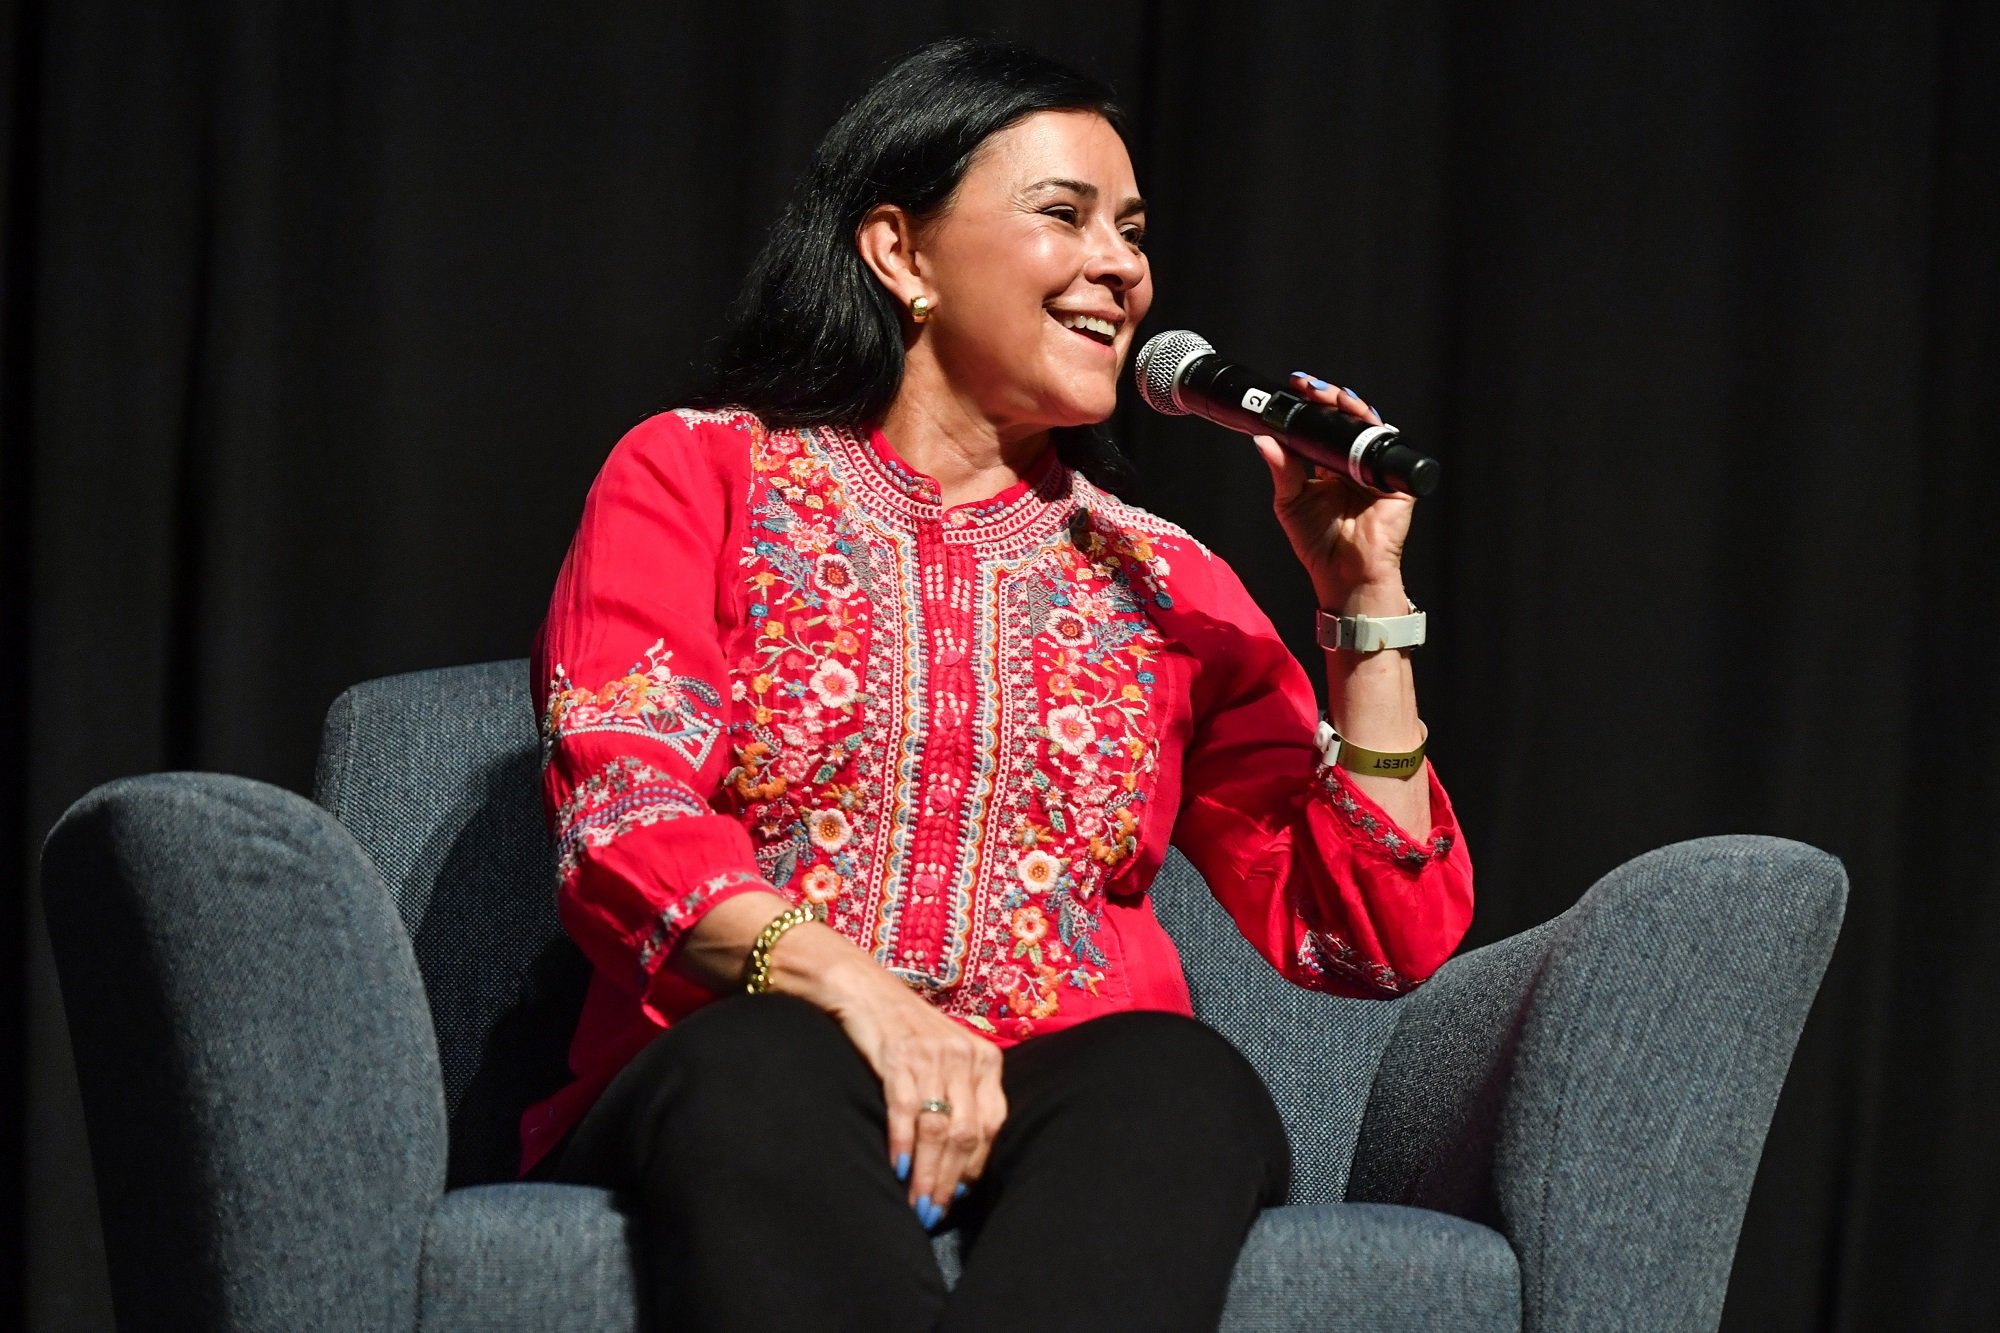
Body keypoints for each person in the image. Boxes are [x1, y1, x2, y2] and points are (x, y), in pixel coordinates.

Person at [524, 36, 1473, 1333]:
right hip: (754, 1069)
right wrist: (866, 1002)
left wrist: (1366, 609)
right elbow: (620, 815)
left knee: (1179, 1078)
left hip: (1069, 1109)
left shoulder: (1161, 578)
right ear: (899, 252)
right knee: (769, 1060)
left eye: (1133, 231)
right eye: (1065, 215)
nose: (1122, 266)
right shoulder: (699, 474)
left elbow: (1368, 933)